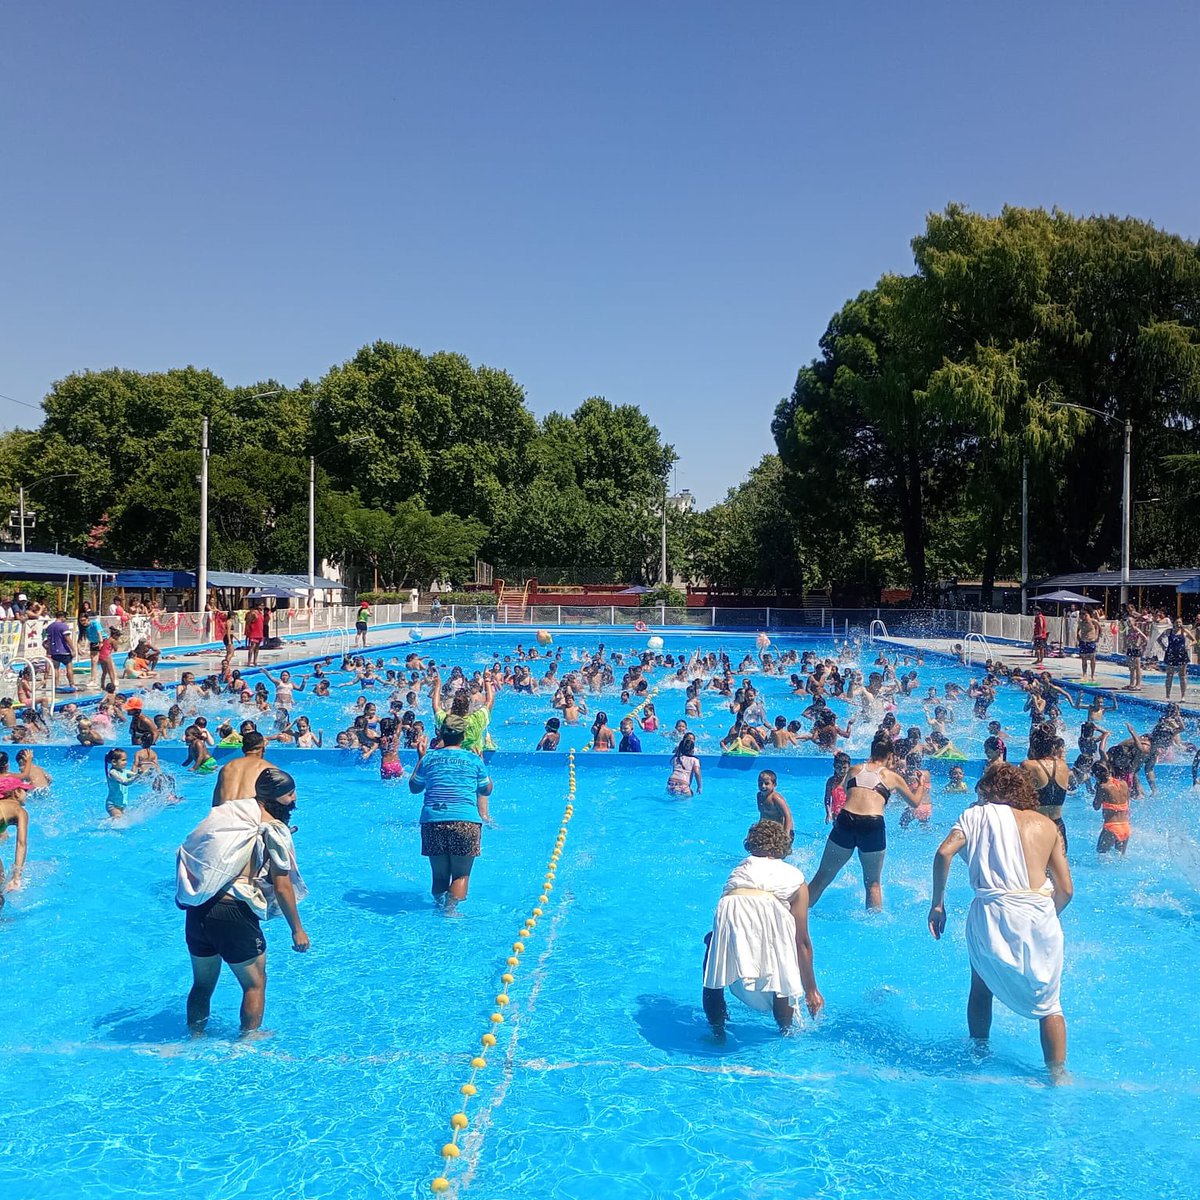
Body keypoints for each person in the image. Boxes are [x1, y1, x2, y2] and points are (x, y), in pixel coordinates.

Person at [928, 763, 1073, 1071]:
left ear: (989, 790)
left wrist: (937, 905)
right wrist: (1044, 917)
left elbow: (944, 853)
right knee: (1050, 1005)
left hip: (992, 914)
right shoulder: (1047, 825)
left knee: (981, 988)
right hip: (1039, 914)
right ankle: (1058, 1075)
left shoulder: (976, 816)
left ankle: (978, 1056)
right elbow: (1066, 890)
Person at [177, 767, 309, 1035]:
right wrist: (297, 929)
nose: (294, 799)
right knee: (255, 984)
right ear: (276, 797)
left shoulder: (231, 817)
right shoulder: (273, 829)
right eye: (290, 794)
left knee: (202, 984)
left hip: (199, 910)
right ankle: (248, 1043)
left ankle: (194, 1038)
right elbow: (283, 887)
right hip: (233, 912)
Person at [701, 819, 823, 1040]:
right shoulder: (795, 877)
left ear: (751, 845)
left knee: (713, 963)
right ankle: (786, 1031)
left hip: (732, 906)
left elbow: (733, 914)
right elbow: (802, 940)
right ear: (783, 848)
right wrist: (811, 990)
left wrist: (716, 943)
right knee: (781, 963)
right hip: (770, 909)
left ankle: (717, 1032)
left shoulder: (739, 870)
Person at [807, 732, 923, 911]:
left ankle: (793, 915)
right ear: (891, 756)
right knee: (873, 884)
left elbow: (843, 790)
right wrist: (921, 784)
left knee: (822, 876)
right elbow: (915, 802)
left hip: (847, 819)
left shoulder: (855, 769)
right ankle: (875, 925)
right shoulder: (892, 777)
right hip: (872, 824)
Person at [409, 715, 494, 910]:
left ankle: (438, 909)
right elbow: (486, 790)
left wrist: (420, 759)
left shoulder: (429, 758)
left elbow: (414, 787)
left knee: (438, 876)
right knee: (461, 875)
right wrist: (481, 764)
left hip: (433, 821)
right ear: (463, 736)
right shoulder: (473, 759)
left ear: (440, 734)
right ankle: (450, 912)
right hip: (465, 822)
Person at [1019, 724, 1071, 852]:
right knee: (1059, 870)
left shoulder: (1028, 765)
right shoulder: (1063, 766)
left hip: (1039, 824)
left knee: (1036, 869)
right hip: (1058, 825)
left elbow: (1020, 796)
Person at [211, 730, 274, 806]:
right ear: (263, 749)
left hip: (221, 814)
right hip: (247, 814)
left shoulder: (227, 767)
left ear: (243, 749)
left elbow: (215, 803)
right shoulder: (268, 768)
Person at [1091, 761, 1130, 855]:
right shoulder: (1124, 783)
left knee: (1101, 854)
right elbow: (1127, 802)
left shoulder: (1103, 787)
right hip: (1125, 826)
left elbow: (1096, 806)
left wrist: (1097, 790)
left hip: (1111, 827)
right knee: (1120, 858)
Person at [0, 791, 29, 902]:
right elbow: (21, 843)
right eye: (25, 791)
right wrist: (16, 877)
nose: (26, 794)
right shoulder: (20, 811)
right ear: (17, 792)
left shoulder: (3, 807)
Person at [1158, 618, 1195, 700]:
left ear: (1182, 623)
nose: (1178, 624)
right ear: (1173, 623)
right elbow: (1159, 639)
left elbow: (1194, 640)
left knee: (1182, 675)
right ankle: (1167, 695)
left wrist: (1189, 645)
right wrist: (1164, 647)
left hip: (1182, 655)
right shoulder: (1169, 631)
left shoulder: (1184, 631)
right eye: (1176, 622)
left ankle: (1183, 696)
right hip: (1171, 654)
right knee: (1169, 675)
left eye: (1180, 622)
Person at [756, 770, 794, 846]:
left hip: (783, 829)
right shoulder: (759, 796)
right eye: (760, 783)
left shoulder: (776, 798)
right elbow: (763, 814)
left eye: (767, 783)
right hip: (770, 830)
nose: (763, 786)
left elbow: (787, 815)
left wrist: (786, 835)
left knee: (779, 853)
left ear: (774, 784)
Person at [42, 610, 77, 692]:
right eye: (65, 618)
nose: (65, 620)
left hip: (54, 651)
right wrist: (73, 649)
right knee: (69, 668)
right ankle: (72, 684)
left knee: (55, 669)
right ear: (62, 617)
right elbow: (67, 639)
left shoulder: (50, 627)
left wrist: (50, 651)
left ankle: (56, 685)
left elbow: (49, 640)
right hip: (64, 651)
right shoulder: (63, 626)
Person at [104, 747, 139, 818]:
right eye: (123, 760)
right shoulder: (113, 773)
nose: (125, 762)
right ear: (114, 762)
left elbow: (136, 776)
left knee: (120, 820)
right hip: (113, 805)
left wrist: (147, 772)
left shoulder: (124, 771)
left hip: (121, 804)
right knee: (118, 821)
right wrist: (137, 775)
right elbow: (124, 782)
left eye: (126, 760)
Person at [1076, 607, 1100, 681]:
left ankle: (1092, 675)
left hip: (1091, 641)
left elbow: (1099, 628)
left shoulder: (1093, 621)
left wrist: (1097, 637)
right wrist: (1078, 637)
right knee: (1084, 659)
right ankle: (1084, 674)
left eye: (1083, 614)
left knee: (1092, 658)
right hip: (1083, 641)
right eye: (1080, 614)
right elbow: (1078, 631)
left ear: (1087, 614)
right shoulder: (1080, 622)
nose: (1081, 615)